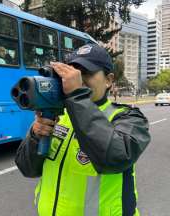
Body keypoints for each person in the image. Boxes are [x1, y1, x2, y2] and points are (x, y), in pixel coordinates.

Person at [15, 44, 150, 216]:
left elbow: (115, 158)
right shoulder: (59, 116)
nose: (77, 79)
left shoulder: (128, 118)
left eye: (86, 72)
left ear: (109, 79)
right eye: (72, 72)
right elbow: (27, 169)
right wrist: (35, 136)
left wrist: (76, 95)